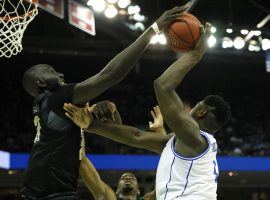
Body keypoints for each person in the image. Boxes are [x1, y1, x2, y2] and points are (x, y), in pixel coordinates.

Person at [20, 4, 190, 199]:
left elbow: (115, 128)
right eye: (51, 70)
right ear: (41, 82)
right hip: (48, 192)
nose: (60, 73)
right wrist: (154, 29)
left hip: (46, 190)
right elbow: (110, 75)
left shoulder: (50, 106)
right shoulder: (57, 97)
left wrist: (106, 111)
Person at [63, 22, 231, 200]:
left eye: (196, 105)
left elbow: (163, 85)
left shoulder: (194, 136)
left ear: (202, 110)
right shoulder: (187, 142)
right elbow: (136, 136)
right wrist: (90, 125)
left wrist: (196, 53)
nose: (191, 109)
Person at [79, 107, 164, 200]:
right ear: (117, 191)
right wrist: (79, 127)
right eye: (123, 178)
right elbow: (82, 160)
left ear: (139, 191)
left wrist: (160, 129)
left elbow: (168, 163)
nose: (128, 178)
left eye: (132, 178)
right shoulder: (108, 197)